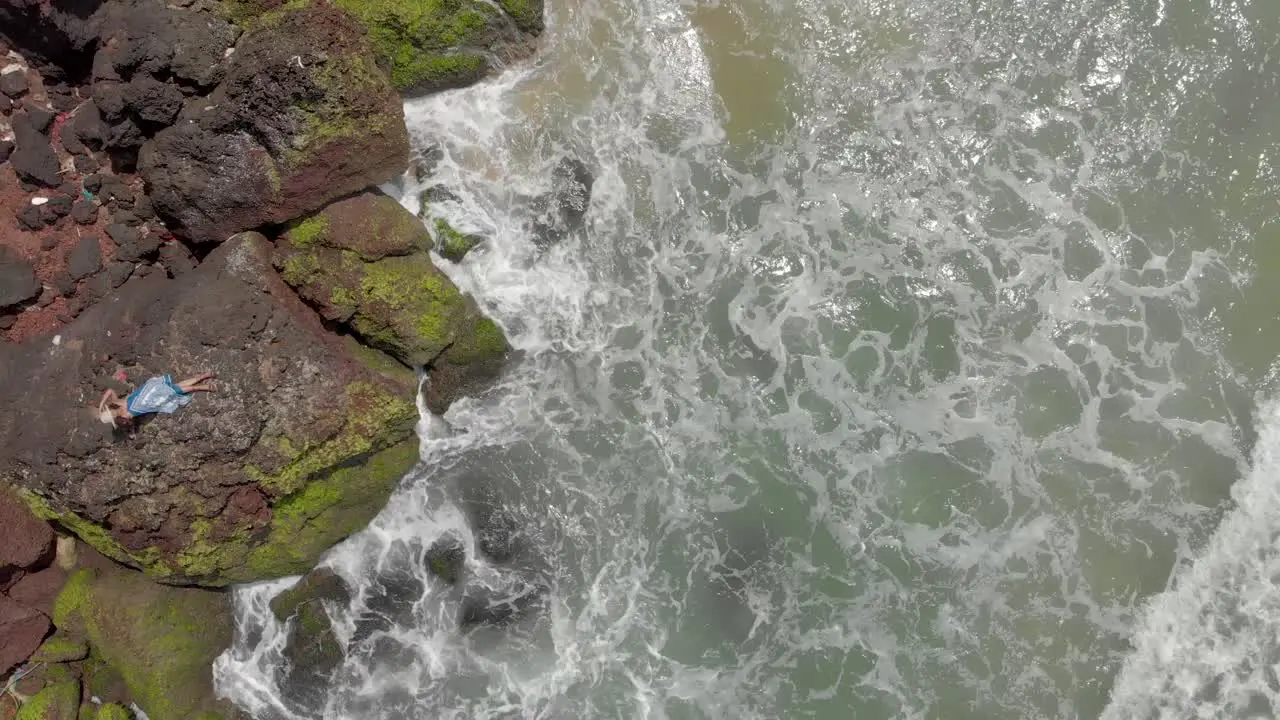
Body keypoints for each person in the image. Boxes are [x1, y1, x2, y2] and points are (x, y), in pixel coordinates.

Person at [97, 372, 216, 426]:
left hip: (152, 396)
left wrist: (132, 432)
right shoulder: (116, 402)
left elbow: (130, 420)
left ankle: (203, 386)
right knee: (177, 387)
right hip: (149, 391)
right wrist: (102, 403)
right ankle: (203, 376)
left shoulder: (124, 415)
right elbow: (110, 391)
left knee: (177, 390)